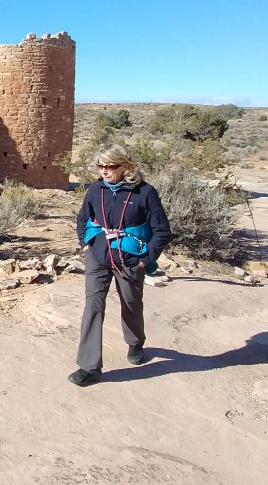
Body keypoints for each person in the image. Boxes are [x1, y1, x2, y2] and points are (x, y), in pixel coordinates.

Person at [69, 143, 171, 387]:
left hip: (129, 258)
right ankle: (89, 366)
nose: (104, 171)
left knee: (131, 303)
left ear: (126, 166)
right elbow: (83, 218)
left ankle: (135, 342)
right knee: (93, 305)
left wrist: (146, 260)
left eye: (110, 166)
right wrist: (86, 244)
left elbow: (161, 231)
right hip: (98, 255)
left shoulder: (145, 193)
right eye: (100, 166)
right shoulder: (96, 189)